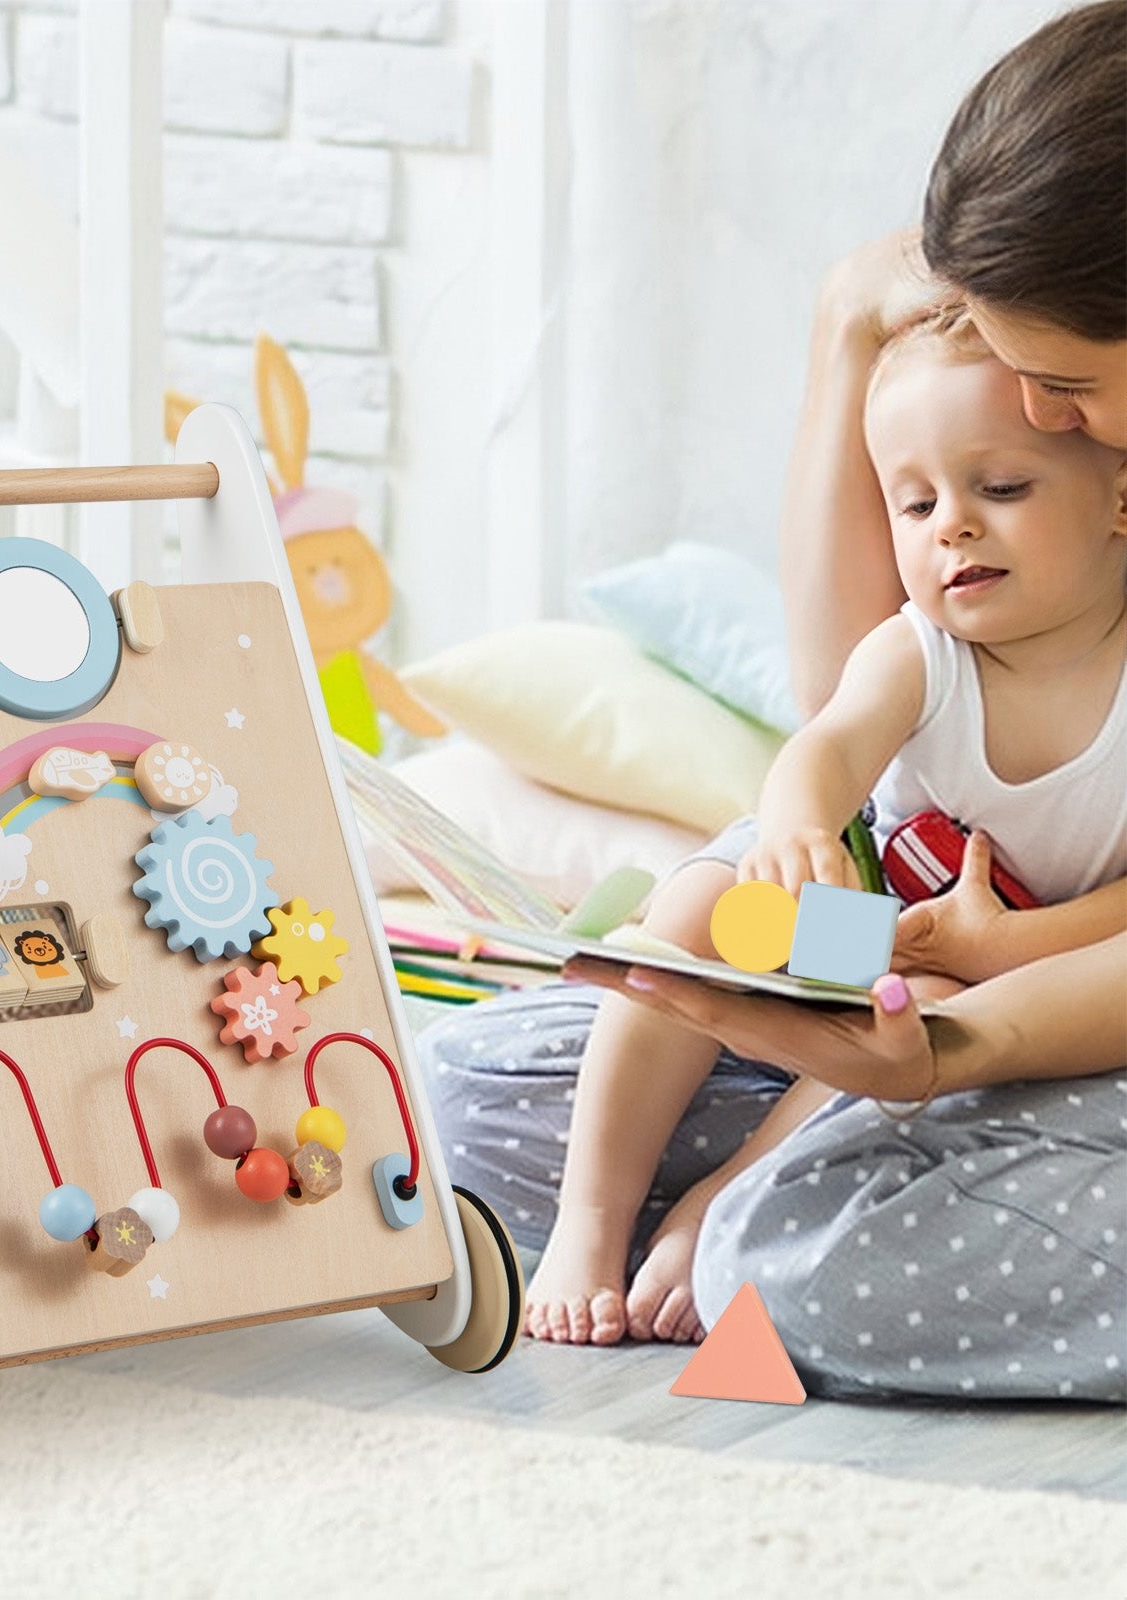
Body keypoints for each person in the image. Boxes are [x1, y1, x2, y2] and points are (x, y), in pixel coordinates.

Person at [416, 1, 1127, 1397]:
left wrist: (962, 1020)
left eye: (1067, 390)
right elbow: (851, 715)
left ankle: (774, 1208)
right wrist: (849, 325)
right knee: (463, 1099)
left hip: (1041, 993)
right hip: (962, 976)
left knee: (783, 1264)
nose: (1044, 422)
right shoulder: (984, 603)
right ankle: (745, 1194)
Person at [520, 313, 1127, 1346]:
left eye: (1002, 488)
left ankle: (727, 1197)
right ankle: (591, 1215)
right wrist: (798, 825)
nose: (951, 527)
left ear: (1120, 494)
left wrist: (1006, 947)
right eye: (915, 500)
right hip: (857, 915)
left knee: (913, 1017)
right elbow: (830, 744)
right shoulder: (923, 650)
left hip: (1000, 974)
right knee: (696, 911)